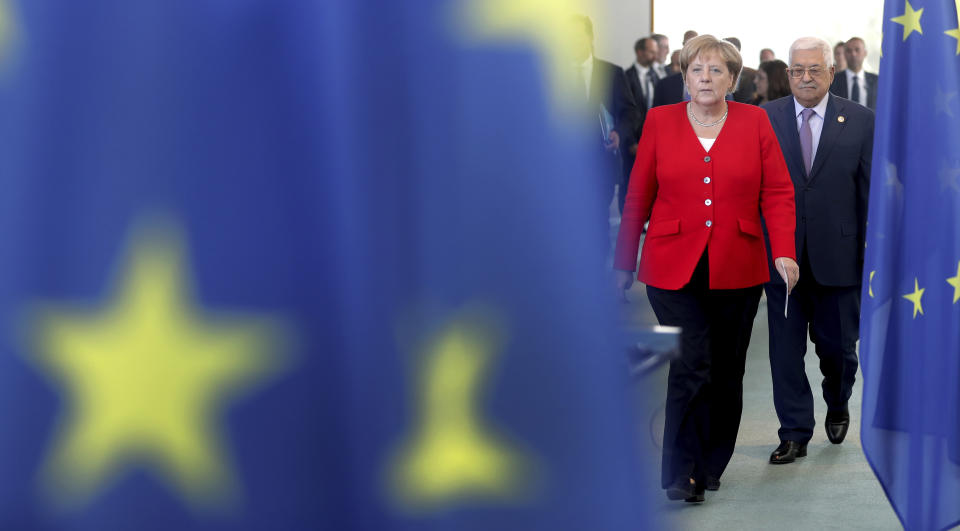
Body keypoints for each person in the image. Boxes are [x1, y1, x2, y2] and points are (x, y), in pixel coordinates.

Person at [614, 35, 799, 502]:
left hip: (738, 264)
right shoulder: (660, 121)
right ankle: (681, 471)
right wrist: (622, 262)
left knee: (726, 369)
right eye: (697, 70)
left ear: (733, 79)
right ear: (684, 76)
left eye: (717, 71)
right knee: (691, 363)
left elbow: (777, 192)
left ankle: (711, 462)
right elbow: (638, 195)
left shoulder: (755, 121)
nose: (706, 78)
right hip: (672, 265)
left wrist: (784, 250)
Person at [761, 36, 873, 464]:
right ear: (787, 73)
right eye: (796, 70)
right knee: (785, 352)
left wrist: (869, 258)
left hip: (840, 260)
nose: (804, 77)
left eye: (813, 69)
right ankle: (794, 431)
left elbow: (869, 195)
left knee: (839, 351)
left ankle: (839, 399)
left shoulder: (861, 120)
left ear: (831, 72)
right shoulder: (763, 118)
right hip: (781, 259)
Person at [569, 15, 641, 229]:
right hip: (564, 167)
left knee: (597, 224)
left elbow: (630, 112)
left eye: (577, 36)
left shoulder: (612, 73)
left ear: (590, 37)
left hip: (602, 163)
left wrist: (619, 133)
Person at [829, 37, 878, 110]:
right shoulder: (833, 81)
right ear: (844, 54)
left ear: (865, 53)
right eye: (849, 51)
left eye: (857, 50)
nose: (853, 54)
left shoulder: (877, 81)